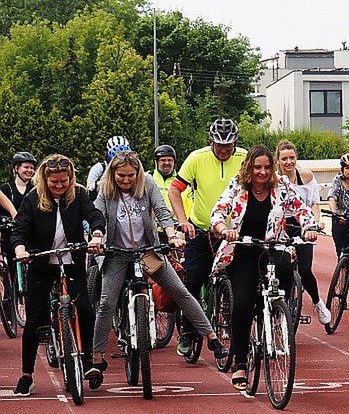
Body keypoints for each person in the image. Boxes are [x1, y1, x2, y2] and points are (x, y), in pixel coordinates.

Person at [90, 151, 227, 380]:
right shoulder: (105, 190)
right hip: (116, 253)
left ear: (138, 173)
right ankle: (97, 356)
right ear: (113, 174)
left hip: (148, 251)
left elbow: (163, 211)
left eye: (131, 175)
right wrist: (96, 237)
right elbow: (97, 216)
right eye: (121, 176)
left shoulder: (148, 184)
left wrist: (172, 235)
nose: (126, 180)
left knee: (179, 290)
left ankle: (211, 337)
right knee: (106, 303)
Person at [210, 146, 318, 390]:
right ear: (249, 167)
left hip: (273, 246)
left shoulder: (282, 185)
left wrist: (309, 227)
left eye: (267, 167)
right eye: (257, 167)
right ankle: (240, 363)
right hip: (244, 249)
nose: (262, 172)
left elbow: (302, 209)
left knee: (287, 268)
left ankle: (276, 309)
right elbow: (218, 212)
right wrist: (223, 229)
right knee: (243, 303)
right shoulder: (238, 186)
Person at [10, 155, 105, 396]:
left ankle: (88, 361)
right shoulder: (33, 199)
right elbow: (20, 229)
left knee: (85, 308)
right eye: (54, 182)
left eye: (64, 181)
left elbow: (95, 215)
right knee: (34, 319)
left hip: (72, 262)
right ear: (45, 179)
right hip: (42, 263)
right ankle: (26, 375)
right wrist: (20, 249)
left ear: (71, 178)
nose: (60, 186)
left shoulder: (79, 195)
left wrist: (96, 234)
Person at [168, 118, 247, 357]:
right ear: (210, 142)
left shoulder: (244, 158)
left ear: (235, 142)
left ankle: (237, 331)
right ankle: (188, 331)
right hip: (201, 230)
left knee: (240, 282)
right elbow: (174, 189)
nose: (224, 150)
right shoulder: (197, 158)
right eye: (219, 145)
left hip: (233, 233)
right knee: (193, 280)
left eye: (228, 145)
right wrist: (183, 220)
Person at [276, 139, 330, 325]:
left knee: (305, 269)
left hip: (303, 224)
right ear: (278, 160)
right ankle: (281, 308)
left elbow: (313, 203)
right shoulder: (273, 179)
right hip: (280, 225)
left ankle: (317, 302)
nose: (289, 162)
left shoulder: (306, 177)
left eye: (292, 158)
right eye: (284, 159)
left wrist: (315, 223)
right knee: (280, 268)